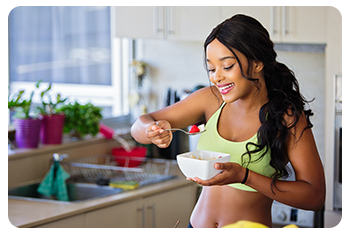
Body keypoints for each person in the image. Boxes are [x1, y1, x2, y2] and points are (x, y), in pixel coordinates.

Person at [131, 14, 325, 228]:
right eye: (212, 69)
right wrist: (151, 129)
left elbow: (315, 197)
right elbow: (138, 126)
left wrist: (245, 177)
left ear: (258, 63)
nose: (216, 77)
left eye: (227, 66)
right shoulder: (210, 99)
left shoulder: (286, 118)